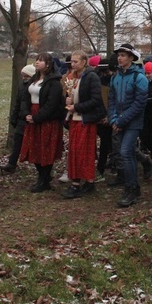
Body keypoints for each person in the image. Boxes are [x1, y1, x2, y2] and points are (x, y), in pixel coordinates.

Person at [108, 43, 148, 208]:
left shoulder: (139, 78)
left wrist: (122, 120)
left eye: (123, 55)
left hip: (132, 122)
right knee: (128, 153)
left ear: (131, 58)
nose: (120, 57)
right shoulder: (115, 77)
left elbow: (139, 103)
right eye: (119, 55)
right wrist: (113, 119)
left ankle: (130, 187)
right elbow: (111, 100)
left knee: (125, 152)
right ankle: (134, 186)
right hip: (120, 121)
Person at [19, 53, 65, 192]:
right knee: (34, 147)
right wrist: (26, 113)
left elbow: (52, 104)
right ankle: (42, 177)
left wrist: (37, 117)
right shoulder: (34, 79)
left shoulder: (54, 82)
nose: (37, 62)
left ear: (48, 64)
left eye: (41, 60)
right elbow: (25, 97)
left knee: (46, 148)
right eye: (37, 60)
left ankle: (44, 179)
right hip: (32, 116)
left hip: (46, 119)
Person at [62, 51, 105, 199]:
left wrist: (77, 107)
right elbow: (72, 95)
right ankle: (83, 180)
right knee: (74, 151)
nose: (72, 64)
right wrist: (68, 101)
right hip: (74, 119)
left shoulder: (91, 77)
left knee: (83, 151)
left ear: (84, 62)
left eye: (75, 62)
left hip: (85, 119)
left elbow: (95, 100)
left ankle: (81, 182)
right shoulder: (73, 77)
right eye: (71, 62)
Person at [1, 65, 36, 174]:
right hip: (21, 117)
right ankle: (12, 163)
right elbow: (18, 102)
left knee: (32, 143)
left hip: (30, 118)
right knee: (17, 141)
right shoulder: (22, 85)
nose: (24, 77)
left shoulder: (33, 86)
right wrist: (14, 116)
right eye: (23, 75)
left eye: (26, 75)